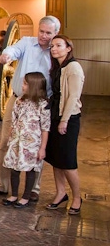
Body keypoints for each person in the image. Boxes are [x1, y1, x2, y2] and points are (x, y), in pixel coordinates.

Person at [0, 16, 60, 200]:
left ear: (55, 33)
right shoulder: (27, 42)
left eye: (48, 33)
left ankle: (33, 189)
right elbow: (14, 49)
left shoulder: (56, 51)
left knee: (37, 147)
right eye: (41, 31)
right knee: (5, 142)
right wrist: (7, 55)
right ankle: (2, 184)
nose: (43, 36)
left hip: (41, 104)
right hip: (18, 101)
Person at [45, 35, 84, 215]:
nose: (54, 49)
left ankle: (77, 197)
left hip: (68, 117)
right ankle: (61, 193)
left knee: (68, 161)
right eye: (52, 46)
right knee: (56, 159)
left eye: (59, 45)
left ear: (69, 48)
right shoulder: (58, 67)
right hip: (55, 115)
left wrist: (64, 120)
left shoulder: (73, 67)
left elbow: (73, 97)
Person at [2, 72, 50, 208]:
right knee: (14, 169)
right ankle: (13, 194)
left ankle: (26, 196)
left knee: (30, 170)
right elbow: (14, 121)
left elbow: (45, 128)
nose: (22, 86)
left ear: (33, 86)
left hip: (32, 144)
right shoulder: (20, 101)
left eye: (25, 84)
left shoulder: (43, 105)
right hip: (17, 141)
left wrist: (42, 148)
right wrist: (10, 139)